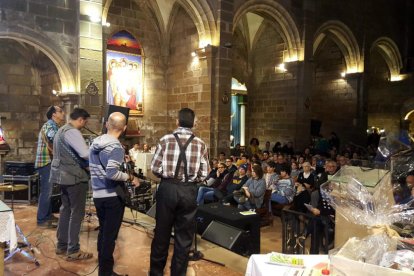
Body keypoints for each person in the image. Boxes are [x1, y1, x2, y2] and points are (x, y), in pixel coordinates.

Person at [149, 108, 209, 276]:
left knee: (161, 234)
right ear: (193, 123)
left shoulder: (165, 140)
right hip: (188, 191)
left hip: (167, 188)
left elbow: (154, 167)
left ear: (177, 121)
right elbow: (205, 173)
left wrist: (167, 176)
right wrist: (190, 180)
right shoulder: (200, 143)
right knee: (184, 239)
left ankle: (155, 273)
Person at [90, 112, 140, 276]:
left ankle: (104, 269)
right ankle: (106, 272)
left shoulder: (95, 142)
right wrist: (130, 177)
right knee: (109, 237)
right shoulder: (116, 147)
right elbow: (111, 173)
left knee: (104, 232)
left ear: (106, 124)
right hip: (111, 196)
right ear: (124, 128)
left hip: (97, 194)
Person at [49, 108, 93, 261]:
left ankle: (62, 246)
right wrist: (98, 150)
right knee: (77, 213)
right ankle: (73, 250)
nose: (84, 125)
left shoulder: (61, 130)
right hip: (74, 177)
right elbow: (84, 153)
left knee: (66, 210)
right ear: (80, 119)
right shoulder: (73, 132)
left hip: (62, 176)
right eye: (84, 122)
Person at [35, 106, 65, 228]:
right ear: (54, 114)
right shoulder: (50, 125)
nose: (63, 113)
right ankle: (42, 219)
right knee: (46, 191)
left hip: (49, 162)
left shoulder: (55, 125)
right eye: (60, 111)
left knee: (50, 191)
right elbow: (53, 138)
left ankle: (47, 215)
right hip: (45, 162)